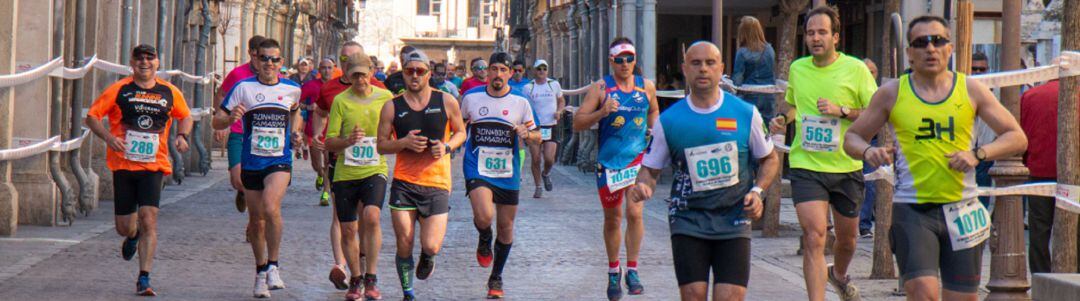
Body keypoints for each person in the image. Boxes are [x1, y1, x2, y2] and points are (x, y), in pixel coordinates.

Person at [844, 15, 1028, 301]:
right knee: (923, 294)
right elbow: (851, 138)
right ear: (909, 53)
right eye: (921, 43)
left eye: (938, 41)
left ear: (950, 48)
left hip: (962, 208)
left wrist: (978, 154)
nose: (930, 49)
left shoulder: (970, 89)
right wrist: (870, 151)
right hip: (912, 209)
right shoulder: (892, 93)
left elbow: (1016, 136)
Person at [628, 41, 780, 301]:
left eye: (710, 63)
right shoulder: (670, 120)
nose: (703, 69)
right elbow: (649, 170)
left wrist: (758, 191)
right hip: (688, 219)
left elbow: (770, 159)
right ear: (685, 69)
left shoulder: (745, 113)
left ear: (721, 69)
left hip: (734, 218)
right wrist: (644, 186)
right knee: (693, 295)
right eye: (696, 63)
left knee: (730, 296)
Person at [767, 6, 876, 301]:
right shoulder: (798, 69)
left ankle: (838, 274)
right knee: (815, 236)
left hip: (846, 165)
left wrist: (842, 111)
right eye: (811, 33)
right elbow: (792, 105)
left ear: (836, 37)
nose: (815, 38)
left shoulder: (856, 70)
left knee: (848, 240)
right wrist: (782, 119)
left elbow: (874, 113)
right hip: (806, 163)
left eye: (822, 33)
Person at [84, 44, 192, 296]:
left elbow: (185, 116)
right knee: (124, 226)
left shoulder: (169, 91)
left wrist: (183, 135)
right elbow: (92, 116)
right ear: (132, 63)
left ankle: (144, 277)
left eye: (149, 58)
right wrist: (109, 138)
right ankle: (131, 236)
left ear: (157, 63)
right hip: (123, 165)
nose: (145, 62)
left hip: (154, 166)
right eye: (139, 58)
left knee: (149, 219)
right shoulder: (120, 89)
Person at [211, 38, 303, 299]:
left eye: (274, 59)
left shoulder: (292, 89)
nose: (269, 64)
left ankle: (274, 266)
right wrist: (230, 119)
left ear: (281, 63)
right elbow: (216, 121)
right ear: (256, 60)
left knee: (270, 207)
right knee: (256, 221)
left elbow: (295, 114)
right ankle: (260, 271)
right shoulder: (243, 88)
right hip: (252, 161)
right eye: (264, 59)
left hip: (279, 160)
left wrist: (295, 133)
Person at [376, 49, 467, 301]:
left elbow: (461, 132)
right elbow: (381, 145)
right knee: (404, 241)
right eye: (409, 71)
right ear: (403, 73)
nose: (414, 76)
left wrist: (446, 147)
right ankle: (408, 292)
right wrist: (403, 143)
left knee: (431, 245)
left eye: (420, 71)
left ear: (429, 73)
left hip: (437, 183)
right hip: (404, 183)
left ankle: (428, 257)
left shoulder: (446, 101)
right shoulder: (391, 106)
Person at [572, 37, 659, 301]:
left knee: (635, 213)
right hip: (609, 162)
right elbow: (577, 123)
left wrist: (652, 131)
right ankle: (613, 271)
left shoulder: (646, 87)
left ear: (635, 60)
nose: (625, 64)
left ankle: (632, 270)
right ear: (612, 61)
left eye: (629, 59)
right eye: (620, 60)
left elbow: (654, 111)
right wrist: (601, 113)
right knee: (613, 219)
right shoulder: (601, 88)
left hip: (637, 161)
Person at [460, 52, 539, 299]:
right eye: (493, 69)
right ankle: (484, 235)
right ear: (487, 72)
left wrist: (526, 133)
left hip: (507, 170)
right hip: (477, 166)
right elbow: (459, 127)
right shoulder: (471, 98)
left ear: (510, 73)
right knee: (484, 216)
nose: (497, 74)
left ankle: (496, 276)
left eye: (502, 70)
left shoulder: (521, 102)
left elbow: (538, 136)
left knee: (506, 227)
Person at [311, 41, 388, 291]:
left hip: (374, 168)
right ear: (346, 73)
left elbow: (399, 125)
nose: (360, 80)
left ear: (371, 72)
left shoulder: (385, 96)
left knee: (372, 216)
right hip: (344, 170)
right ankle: (352, 275)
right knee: (347, 227)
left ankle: (371, 277)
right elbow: (328, 137)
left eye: (363, 74)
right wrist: (346, 141)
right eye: (354, 75)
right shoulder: (340, 100)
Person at [214, 35, 267, 213]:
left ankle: (254, 221)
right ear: (251, 54)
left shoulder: (275, 77)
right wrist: (223, 121)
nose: (260, 61)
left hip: (261, 135)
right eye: (256, 56)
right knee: (237, 180)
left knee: (260, 183)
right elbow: (221, 95)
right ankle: (243, 192)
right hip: (238, 131)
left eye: (264, 57)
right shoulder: (238, 74)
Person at [1020, 79, 1068, 274]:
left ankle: (1040, 276)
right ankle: (1073, 274)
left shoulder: (1030, 96)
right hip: (1072, 176)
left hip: (1038, 170)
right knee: (1074, 228)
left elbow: (1021, 133)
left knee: (1039, 230)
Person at [522, 59, 565, 198]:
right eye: (539, 69)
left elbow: (561, 100)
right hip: (535, 127)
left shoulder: (554, 84)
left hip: (551, 125)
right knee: (535, 158)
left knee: (549, 159)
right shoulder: (528, 87)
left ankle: (546, 173)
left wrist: (559, 111)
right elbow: (525, 106)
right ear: (534, 70)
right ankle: (538, 186)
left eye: (544, 69)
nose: (541, 71)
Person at [300, 58, 336, 206]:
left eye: (329, 68)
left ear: (333, 69)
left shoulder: (338, 86)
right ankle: (320, 174)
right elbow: (297, 103)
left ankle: (326, 193)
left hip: (332, 132)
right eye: (324, 68)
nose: (327, 71)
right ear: (319, 70)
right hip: (313, 130)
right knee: (316, 164)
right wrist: (308, 108)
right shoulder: (310, 86)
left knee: (329, 163)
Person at [732, 16, 777, 120]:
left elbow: (737, 80)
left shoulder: (742, 52)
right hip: (769, 96)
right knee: (766, 130)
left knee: (749, 127)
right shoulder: (770, 49)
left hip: (750, 95)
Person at [858, 58, 880, 239]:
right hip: (851, 143)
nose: (869, 74)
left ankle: (864, 224)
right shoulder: (852, 90)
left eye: (872, 71)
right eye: (865, 71)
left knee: (871, 184)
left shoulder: (881, 94)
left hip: (872, 143)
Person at [970, 52, 996, 208]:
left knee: (984, 198)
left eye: (981, 69)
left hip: (986, 154)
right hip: (964, 153)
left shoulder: (994, 94)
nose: (978, 73)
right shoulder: (960, 91)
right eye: (974, 69)